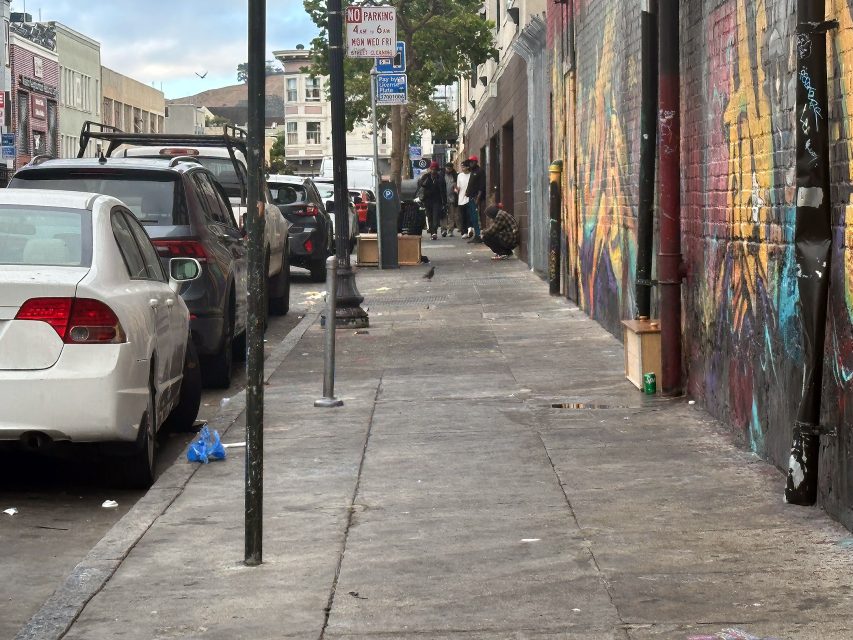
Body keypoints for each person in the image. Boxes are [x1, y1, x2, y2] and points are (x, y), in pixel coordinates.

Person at [417, 160, 447, 240]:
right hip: (427, 200)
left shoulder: (440, 178)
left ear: (437, 170)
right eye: (432, 169)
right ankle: (432, 232)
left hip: (437, 201)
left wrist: (444, 202)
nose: (433, 170)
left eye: (435, 169)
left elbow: (443, 191)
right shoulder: (426, 177)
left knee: (436, 217)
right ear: (430, 169)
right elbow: (420, 186)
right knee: (429, 217)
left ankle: (434, 232)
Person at [464, 155, 485, 243]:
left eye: (472, 162)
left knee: (476, 217)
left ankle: (479, 235)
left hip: (476, 198)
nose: (470, 163)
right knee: (472, 218)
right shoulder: (473, 171)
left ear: (476, 162)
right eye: (470, 162)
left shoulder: (480, 171)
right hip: (470, 197)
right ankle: (476, 235)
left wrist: (478, 199)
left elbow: (481, 186)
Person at [455, 160, 471, 237]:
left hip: (469, 198)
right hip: (461, 199)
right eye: (461, 166)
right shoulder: (459, 176)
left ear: (468, 167)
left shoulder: (471, 175)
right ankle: (464, 232)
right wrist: (456, 189)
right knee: (462, 216)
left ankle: (469, 229)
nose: (462, 168)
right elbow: (458, 187)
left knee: (469, 215)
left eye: (463, 166)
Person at [442, 162, 459, 237]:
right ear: (445, 168)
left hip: (452, 198)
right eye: (447, 168)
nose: (448, 170)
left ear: (452, 169)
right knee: (443, 215)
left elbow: (457, 188)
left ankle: (450, 230)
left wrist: (456, 190)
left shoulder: (455, 176)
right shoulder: (441, 175)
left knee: (451, 215)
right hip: (443, 199)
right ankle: (443, 230)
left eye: (450, 169)